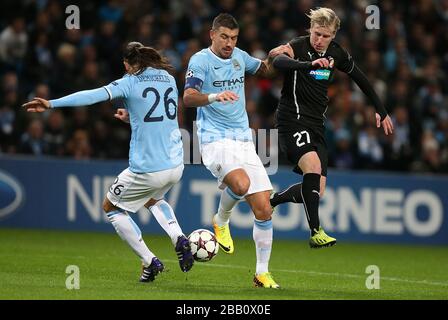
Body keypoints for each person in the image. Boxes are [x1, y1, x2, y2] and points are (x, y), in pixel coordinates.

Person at [22, 42, 194, 282]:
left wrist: (52, 103)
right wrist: (132, 116)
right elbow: (161, 117)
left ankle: (149, 261)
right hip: (176, 165)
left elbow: (92, 96)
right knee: (154, 199)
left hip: (148, 167)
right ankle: (178, 237)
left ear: (127, 64)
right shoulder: (167, 77)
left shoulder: (129, 82)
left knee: (111, 208)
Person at [268, 7, 394, 248]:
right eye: (316, 33)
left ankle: (272, 201)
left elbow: (361, 78)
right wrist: (306, 64)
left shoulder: (337, 54)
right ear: (310, 30)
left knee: (317, 188)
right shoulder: (298, 45)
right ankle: (316, 232)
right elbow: (279, 62)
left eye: (325, 36)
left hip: (316, 125)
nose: (319, 40)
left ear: (333, 35)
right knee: (312, 167)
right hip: (291, 119)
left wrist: (381, 109)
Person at [183, 13, 288, 289]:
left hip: (243, 141)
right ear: (212, 35)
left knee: (265, 209)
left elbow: (265, 69)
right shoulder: (200, 61)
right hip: (214, 140)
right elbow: (189, 97)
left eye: (234, 38)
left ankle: (261, 273)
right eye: (224, 37)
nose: (229, 43)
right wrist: (215, 96)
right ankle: (221, 219)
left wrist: (279, 54)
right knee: (240, 184)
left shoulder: (239, 57)